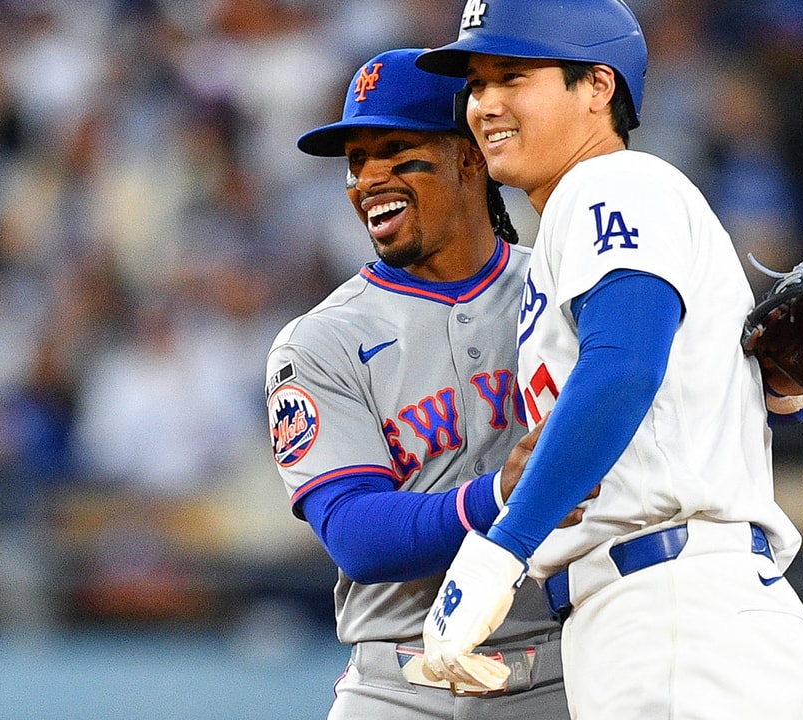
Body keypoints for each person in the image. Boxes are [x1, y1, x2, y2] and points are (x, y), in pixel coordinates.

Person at [414, 2, 803, 718]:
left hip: (675, 605)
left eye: (513, 75)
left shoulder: (615, 184)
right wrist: (789, 390)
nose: (485, 104)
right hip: (657, 614)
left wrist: (500, 550)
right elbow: (750, 395)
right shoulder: (570, 228)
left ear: (598, 88)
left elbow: (625, 367)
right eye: (475, 84)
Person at [265, 48, 572, 719]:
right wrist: (496, 496)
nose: (368, 178)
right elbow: (353, 533)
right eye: (356, 160)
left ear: (470, 157)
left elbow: (670, 405)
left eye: (396, 149)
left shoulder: (563, 286)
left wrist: (782, 389)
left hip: (563, 674)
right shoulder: (320, 340)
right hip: (400, 686)